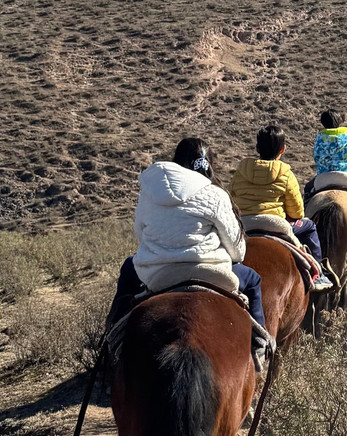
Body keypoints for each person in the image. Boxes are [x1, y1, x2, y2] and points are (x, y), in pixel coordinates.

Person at [109, 137, 265, 330]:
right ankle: (261, 345)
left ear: (176, 161)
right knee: (253, 280)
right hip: (208, 269)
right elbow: (238, 252)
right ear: (209, 164)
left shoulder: (149, 192)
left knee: (127, 270)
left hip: (157, 271)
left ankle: (110, 333)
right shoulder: (216, 194)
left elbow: (140, 235)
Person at [230, 124, 334, 290]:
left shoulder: (241, 171)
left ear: (257, 148)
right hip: (274, 224)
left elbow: (231, 199)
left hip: (243, 225)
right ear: (282, 149)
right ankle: (318, 273)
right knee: (309, 227)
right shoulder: (285, 173)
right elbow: (297, 212)